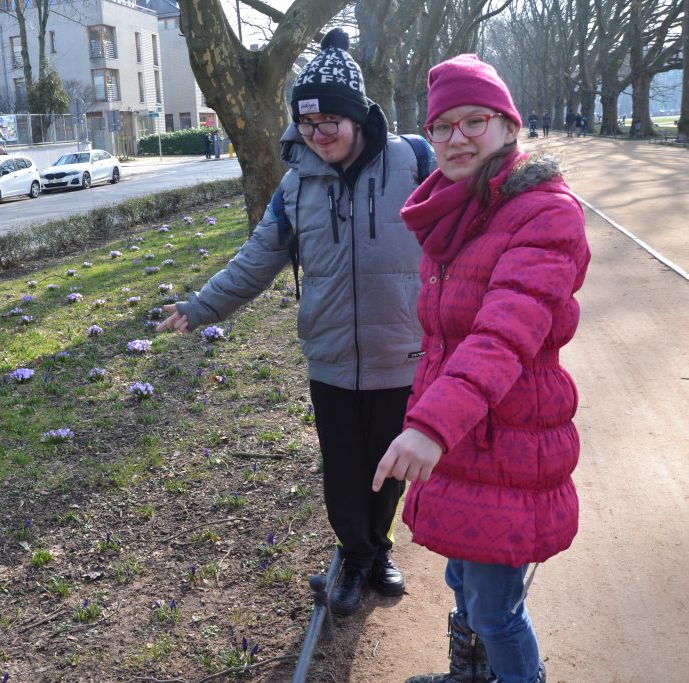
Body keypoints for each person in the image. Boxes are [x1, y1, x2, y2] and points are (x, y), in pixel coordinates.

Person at [157, 28, 427, 617]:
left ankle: (377, 550)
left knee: (389, 468)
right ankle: (355, 559)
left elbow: (467, 225)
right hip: (330, 356)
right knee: (343, 473)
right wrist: (203, 305)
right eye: (307, 124)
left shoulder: (415, 162)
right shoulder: (296, 185)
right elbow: (258, 256)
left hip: (402, 352)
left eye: (330, 119)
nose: (318, 133)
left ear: (357, 115)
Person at [372, 54, 590, 683]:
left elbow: (503, 334)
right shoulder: (455, 211)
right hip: (465, 429)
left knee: (497, 610)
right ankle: (471, 675)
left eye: (475, 121)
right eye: (443, 126)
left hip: (509, 436)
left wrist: (430, 426)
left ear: (507, 126)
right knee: (463, 576)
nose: (456, 137)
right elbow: (444, 337)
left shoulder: (544, 212)